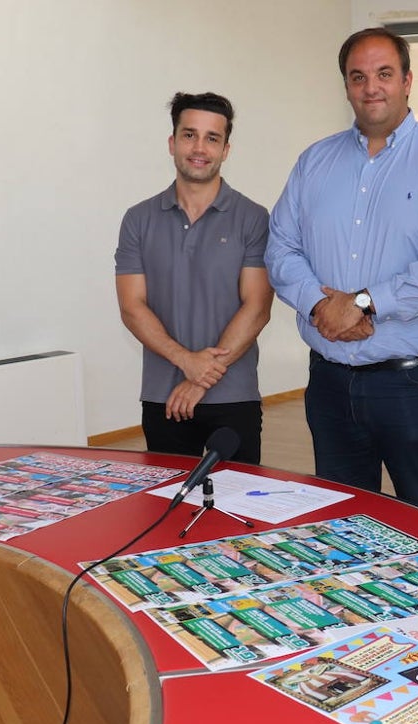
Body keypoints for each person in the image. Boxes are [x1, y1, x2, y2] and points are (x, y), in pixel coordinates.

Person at [266, 28, 418, 517]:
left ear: (408, 81)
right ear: (345, 85)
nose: (372, 88)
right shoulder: (313, 162)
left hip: (414, 385)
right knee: (338, 525)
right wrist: (323, 305)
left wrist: (363, 303)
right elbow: (280, 246)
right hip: (329, 384)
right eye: (358, 76)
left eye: (384, 74)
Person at [115, 92, 272, 464]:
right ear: (172, 143)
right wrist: (186, 361)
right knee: (167, 510)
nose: (199, 147)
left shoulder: (254, 218)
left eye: (211, 138)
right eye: (189, 135)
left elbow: (258, 307)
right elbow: (132, 307)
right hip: (162, 397)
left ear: (226, 149)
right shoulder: (138, 219)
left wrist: (199, 377)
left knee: (239, 514)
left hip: (234, 396)